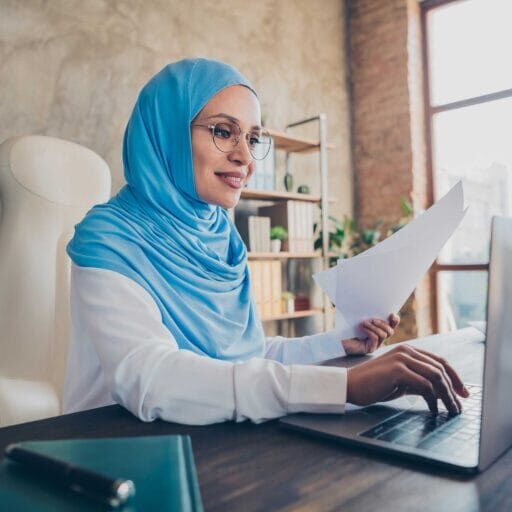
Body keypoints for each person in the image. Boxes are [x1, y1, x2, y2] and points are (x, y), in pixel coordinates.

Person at [63, 58, 468, 425]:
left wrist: (334, 345)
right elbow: (149, 378)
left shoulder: (222, 240)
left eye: (253, 139)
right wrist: (341, 388)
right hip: (111, 457)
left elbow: (245, 356)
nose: (246, 158)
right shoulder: (110, 238)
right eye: (224, 132)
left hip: (206, 442)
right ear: (165, 132)